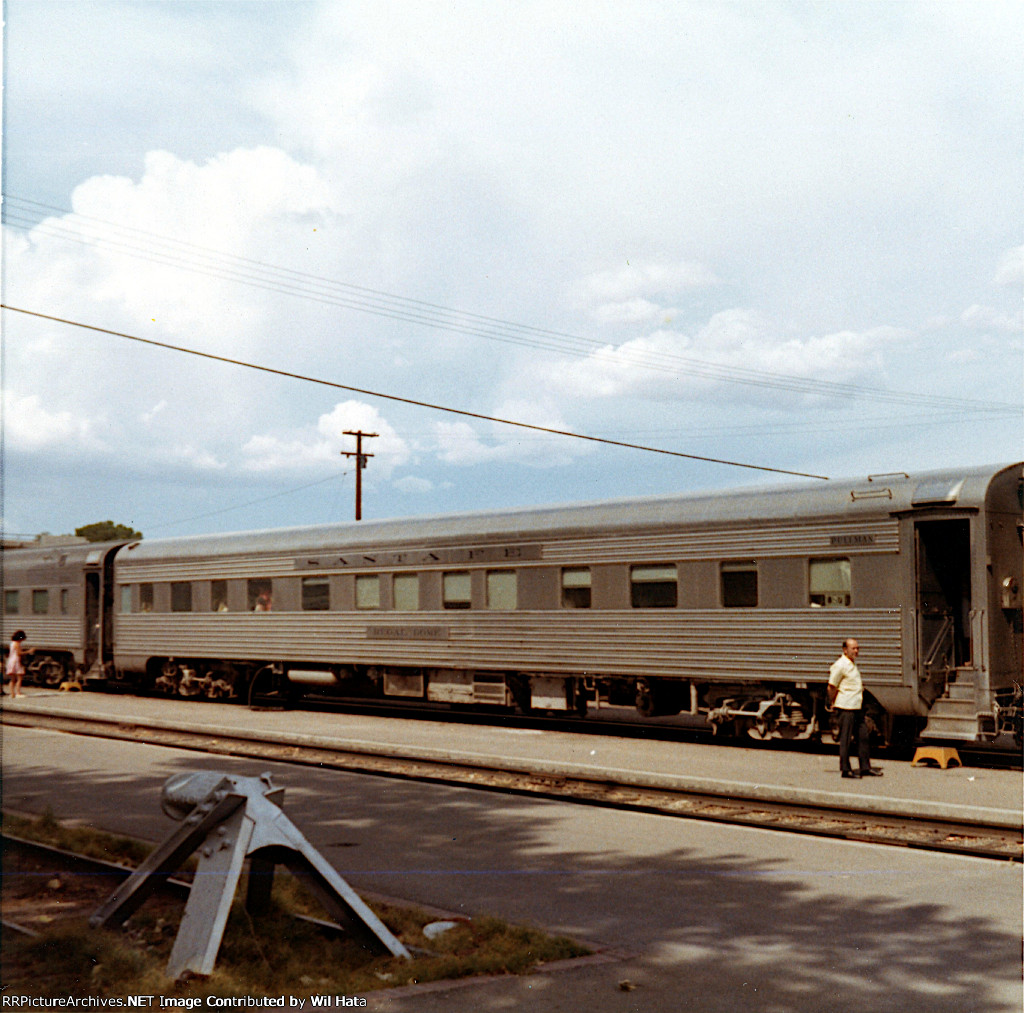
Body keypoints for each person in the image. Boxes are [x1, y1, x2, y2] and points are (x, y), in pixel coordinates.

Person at [826, 638, 882, 779]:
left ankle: (865, 767)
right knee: (845, 739)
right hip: (846, 707)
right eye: (853, 648)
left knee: (863, 737)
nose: (856, 651)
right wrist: (832, 701)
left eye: (857, 648)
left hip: (856, 707)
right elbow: (831, 686)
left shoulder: (851, 664)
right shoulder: (840, 665)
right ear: (845, 650)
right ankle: (845, 769)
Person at [5, 630, 28, 699]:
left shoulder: (12, 643)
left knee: (12, 679)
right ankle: (18, 693)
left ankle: (12, 694)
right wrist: (29, 651)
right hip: (16, 661)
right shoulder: (17, 644)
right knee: (19, 678)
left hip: (11, 660)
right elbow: (19, 653)